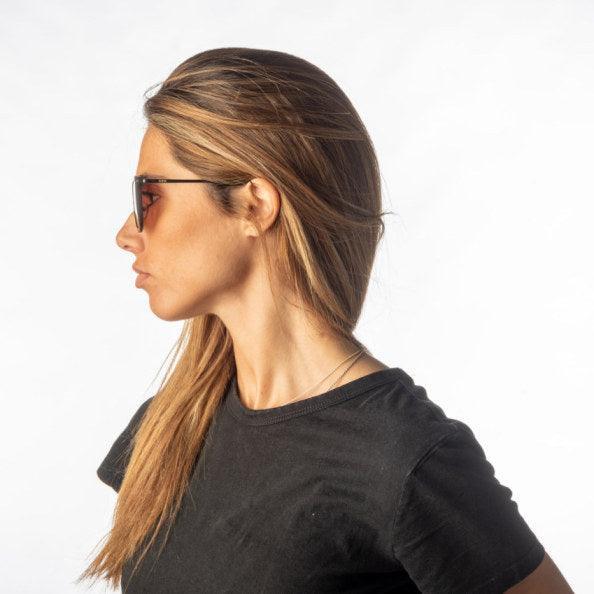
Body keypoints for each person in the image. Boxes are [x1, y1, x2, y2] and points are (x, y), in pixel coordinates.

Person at [77, 47, 573, 593]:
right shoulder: (170, 427)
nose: (127, 232)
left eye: (149, 195)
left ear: (255, 204)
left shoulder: (404, 456)